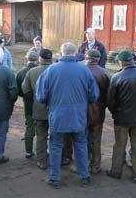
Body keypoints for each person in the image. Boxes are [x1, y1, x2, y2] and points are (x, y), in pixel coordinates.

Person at [36, 42, 99, 189]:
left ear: (61, 53)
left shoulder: (51, 70)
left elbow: (41, 96)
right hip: (78, 116)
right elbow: (94, 95)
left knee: (56, 146)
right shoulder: (84, 71)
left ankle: (55, 178)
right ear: (76, 53)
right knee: (81, 144)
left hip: (58, 115)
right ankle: (84, 176)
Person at [106, 50, 136, 183]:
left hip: (122, 118)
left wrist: (115, 113)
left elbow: (110, 100)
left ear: (121, 62)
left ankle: (116, 171)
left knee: (119, 145)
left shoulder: (117, 77)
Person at [22, 49, 53, 170]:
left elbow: (26, 90)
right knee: (57, 135)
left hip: (39, 108)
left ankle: (42, 161)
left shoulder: (32, 72)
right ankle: (59, 159)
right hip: (56, 109)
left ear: (40, 59)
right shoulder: (56, 70)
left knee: (41, 135)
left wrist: (34, 100)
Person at [85, 49, 111, 174]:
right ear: (99, 59)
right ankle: (95, 165)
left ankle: (84, 163)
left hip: (82, 111)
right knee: (96, 139)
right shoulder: (105, 73)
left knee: (82, 138)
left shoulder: (81, 71)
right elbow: (109, 95)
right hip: (98, 111)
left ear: (87, 57)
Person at [16, 51, 39, 159]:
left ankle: (28, 151)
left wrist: (25, 96)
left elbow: (18, 90)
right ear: (38, 59)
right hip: (42, 104)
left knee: (29, 126)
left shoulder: (21, 72)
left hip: (28, 103)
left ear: (27, 59)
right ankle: (42, 151)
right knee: (42, 128)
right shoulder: (42, 71)